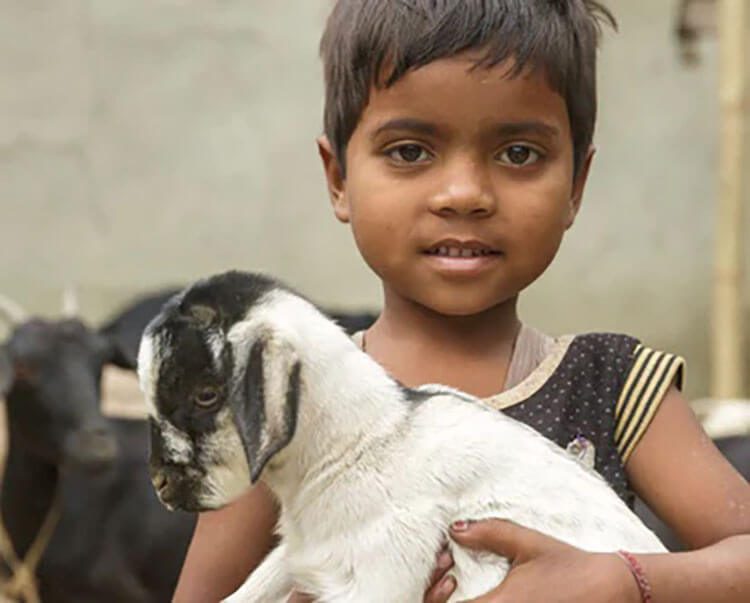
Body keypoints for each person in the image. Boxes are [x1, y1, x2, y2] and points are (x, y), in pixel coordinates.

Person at [173, 1, 750, 601]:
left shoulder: (614, 387)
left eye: (519, 153)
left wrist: (623, 580)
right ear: (338, 177)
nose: (464, 194)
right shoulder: (281, 408)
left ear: (575, 184)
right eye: (410, 152)